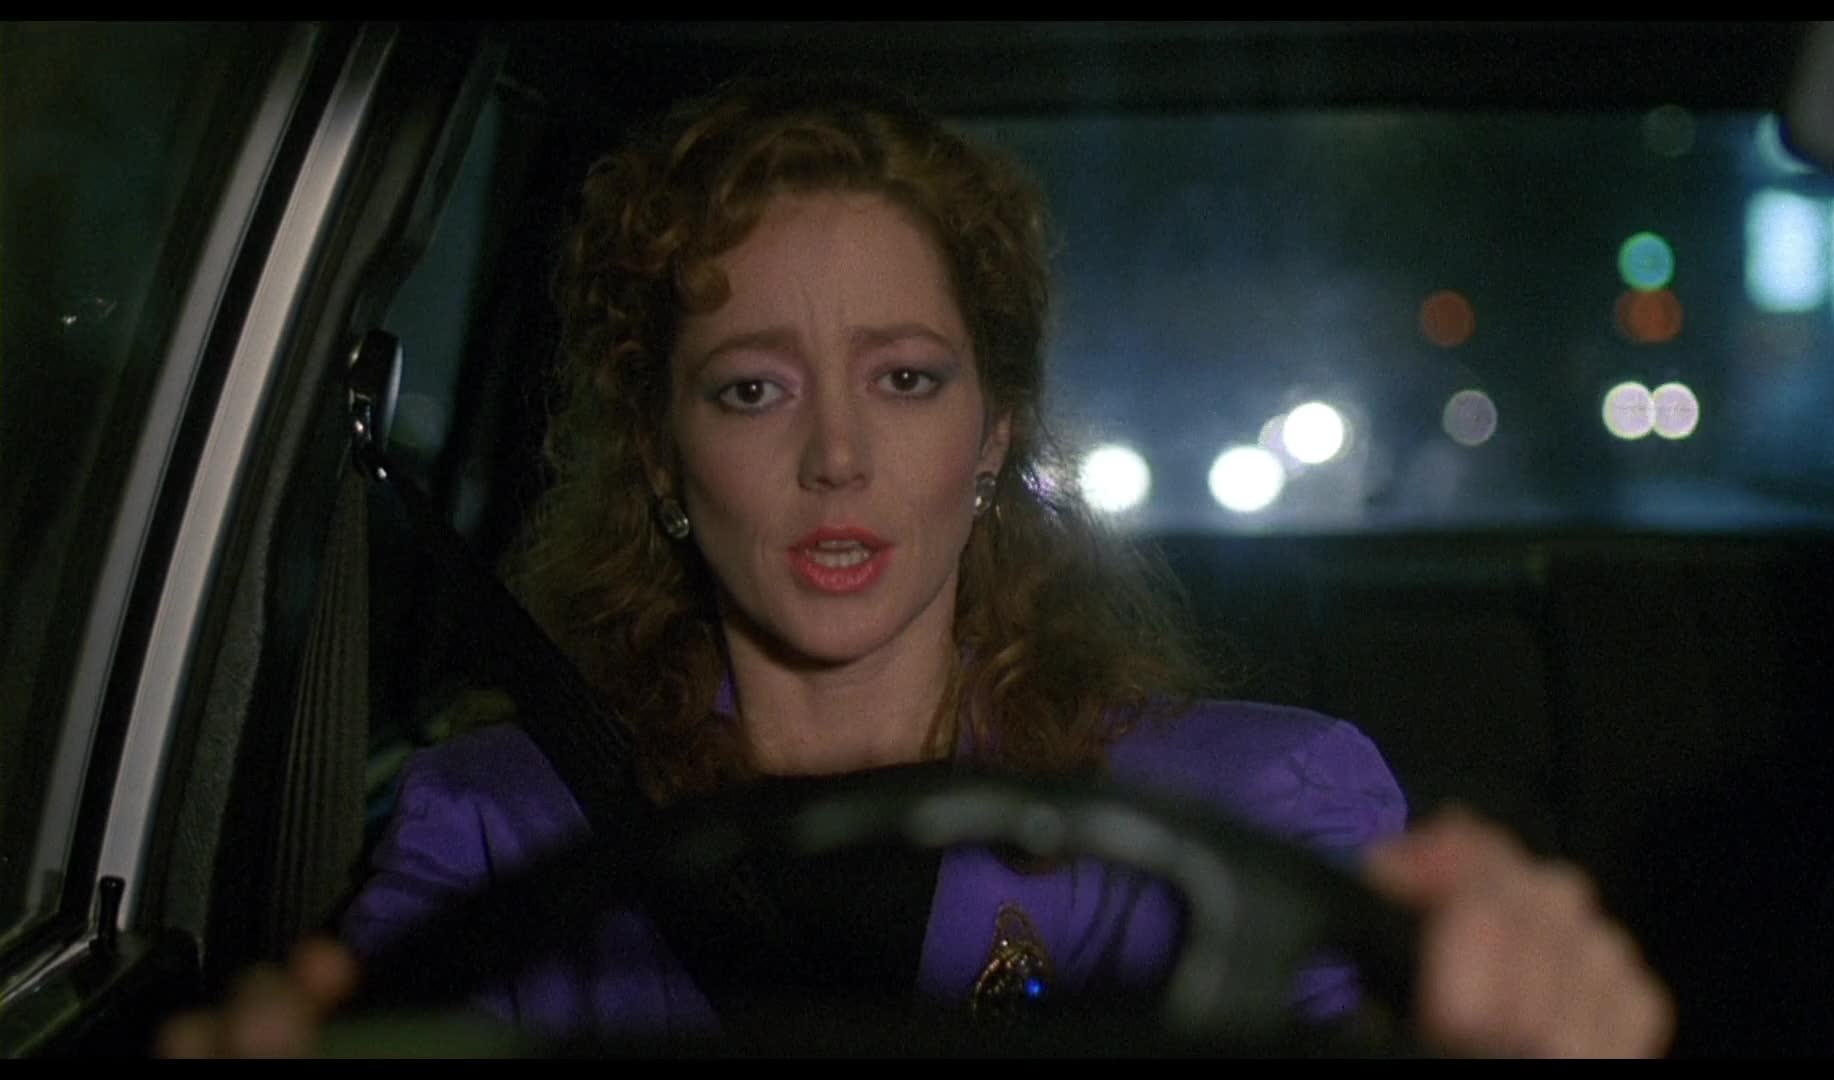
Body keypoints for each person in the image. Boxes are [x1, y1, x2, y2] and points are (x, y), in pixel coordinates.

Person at [158, 74, 1673, 1058]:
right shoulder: (495, 823)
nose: (837, 457)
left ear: (993, 431)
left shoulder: (1262, 803)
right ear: (667, 459)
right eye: (753, 388)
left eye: (903, 378)